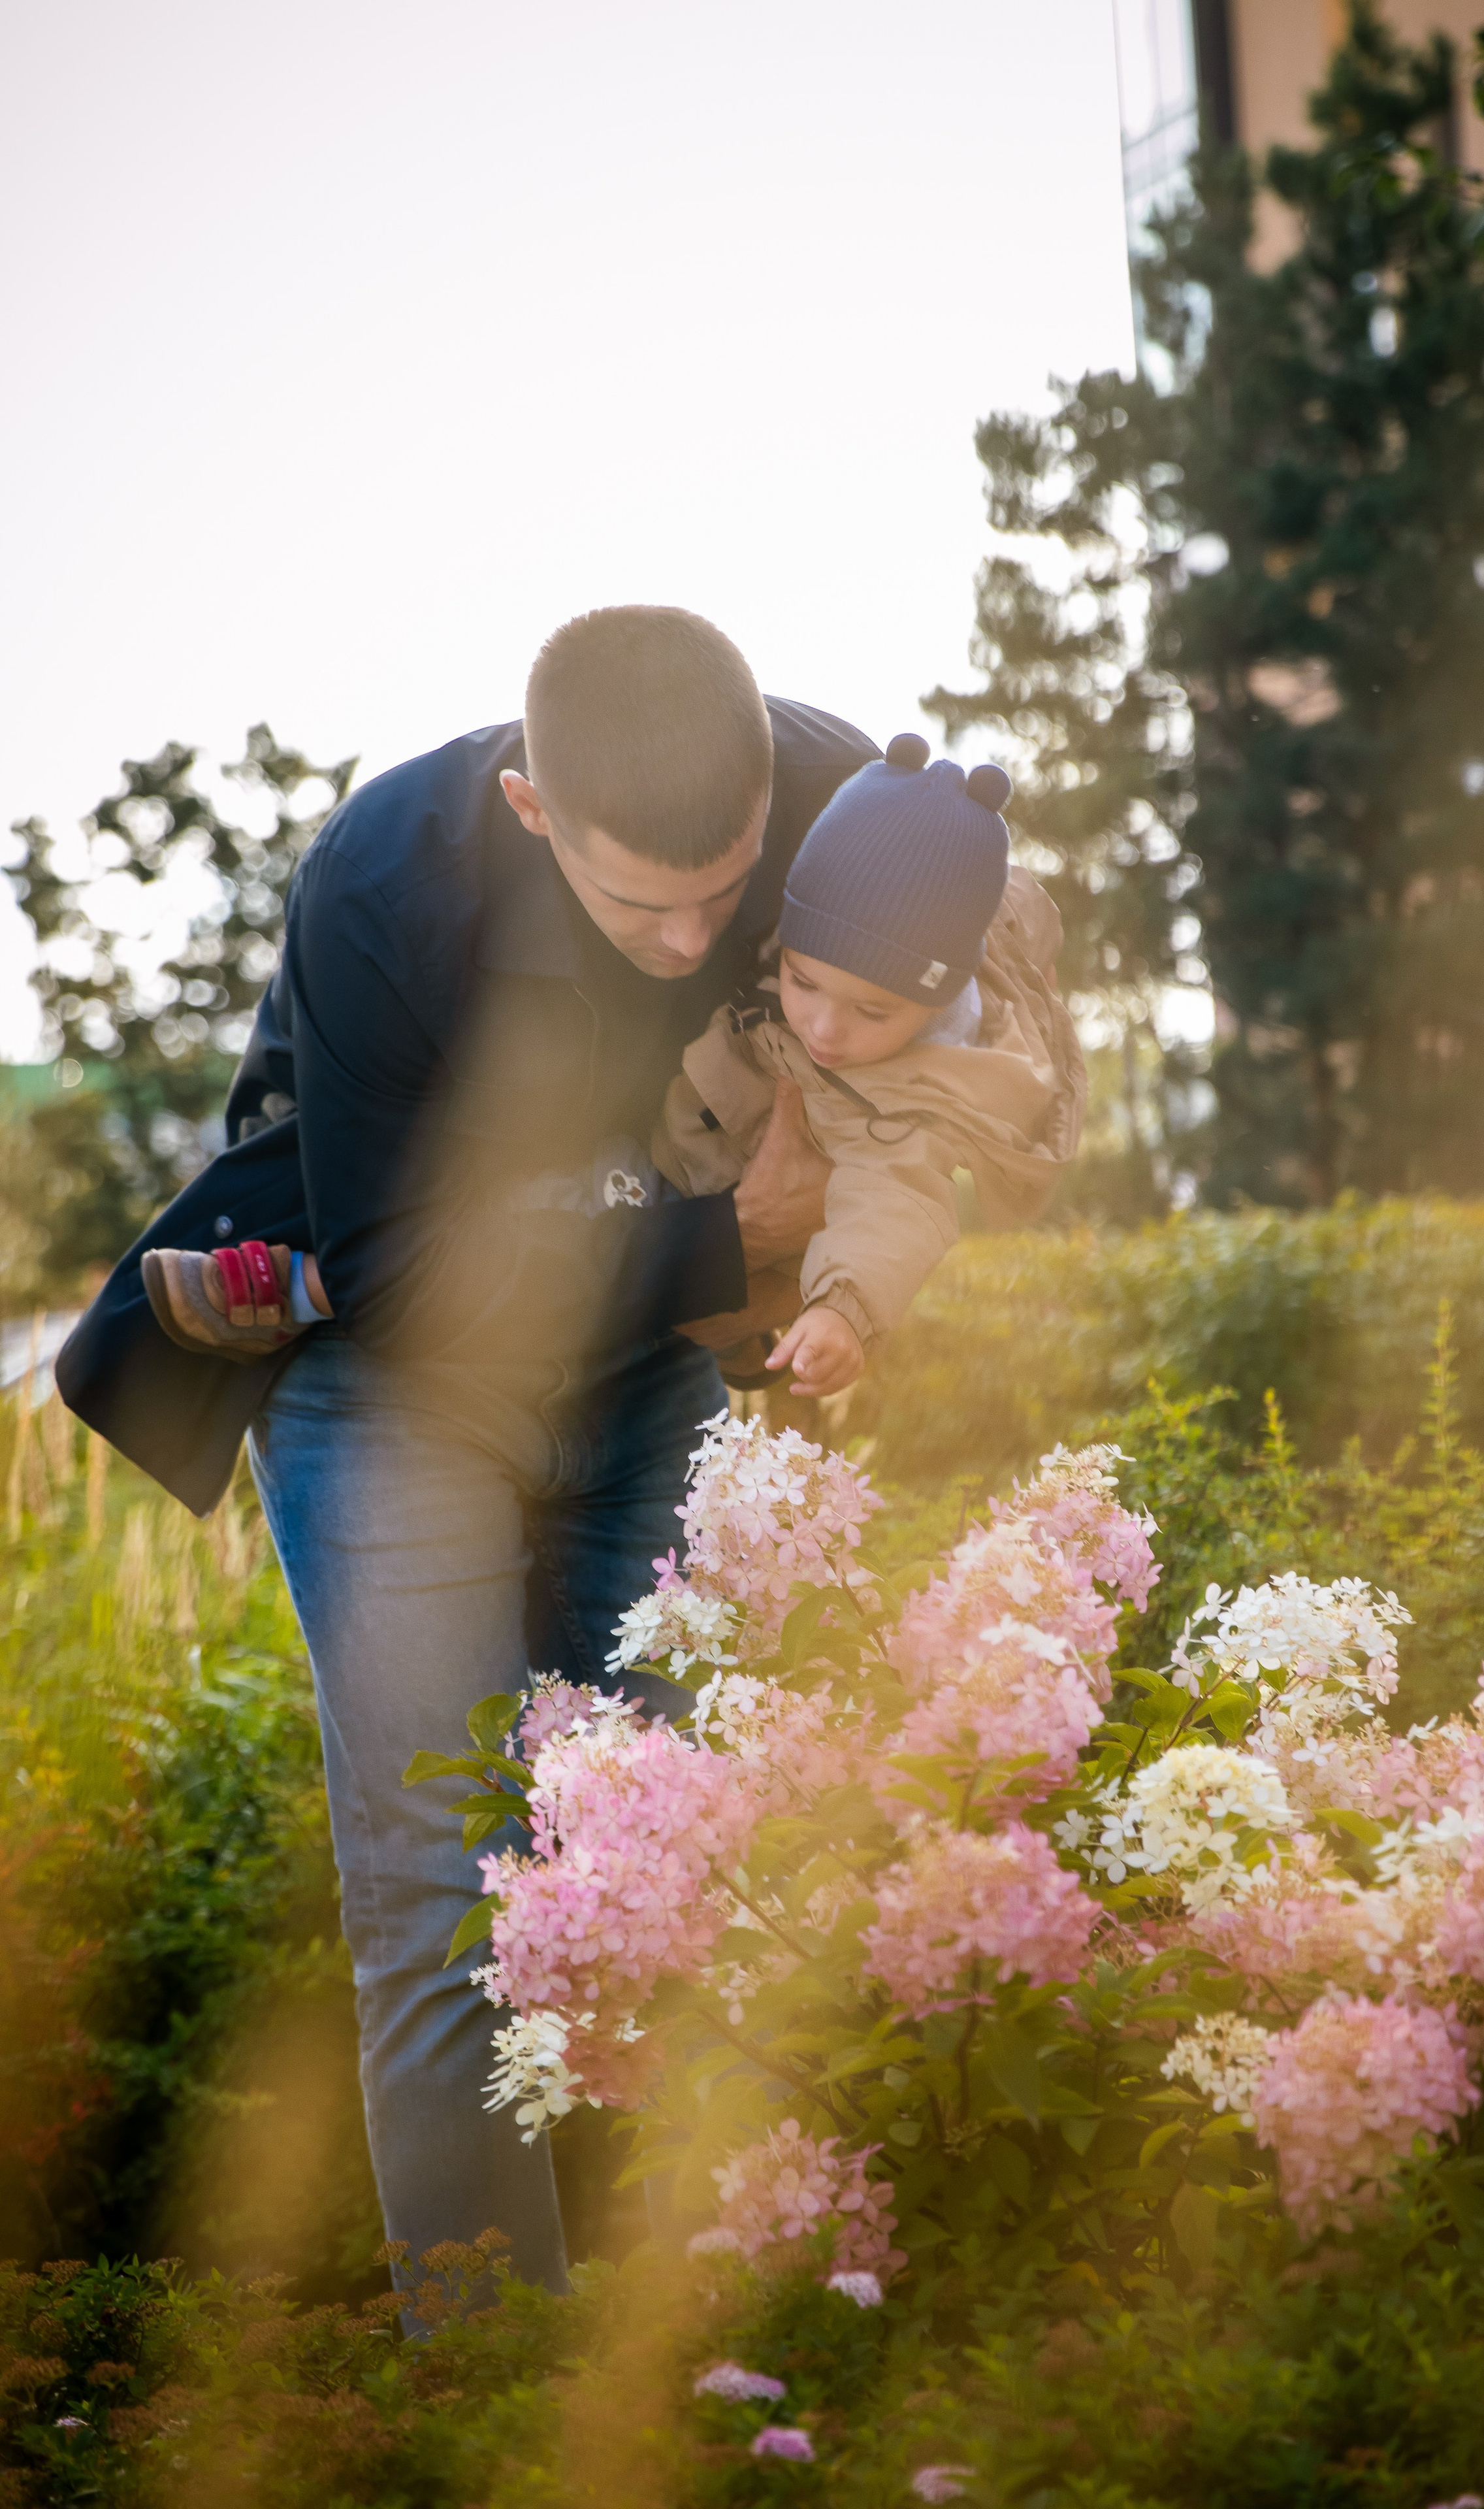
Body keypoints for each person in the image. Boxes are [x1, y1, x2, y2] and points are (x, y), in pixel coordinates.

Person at [55, 606, 877, 2298]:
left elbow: (956, 1061)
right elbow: (413, 1279)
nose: (688, 935)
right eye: (639, 900)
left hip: (650, 1372)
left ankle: (713, 2363)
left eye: (723, 892)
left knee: (677, 1845)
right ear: (530, 810)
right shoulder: (382, 882)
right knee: (449, 1890)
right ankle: (489, 2403)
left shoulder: (842, 805)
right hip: (392, 1374)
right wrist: (738, 1241)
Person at [652, 734, 1086, 1396]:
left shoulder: (917, 1100)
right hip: (662, 1158)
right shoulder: (826, 925)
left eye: (873, 1013)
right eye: (802, 981)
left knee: (719, 1311)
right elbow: (1015, 906)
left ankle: (748, 1342)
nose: (824, 1028)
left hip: (717, 1224)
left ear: (934, 1004)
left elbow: (896, 1203)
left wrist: (842, 1312)